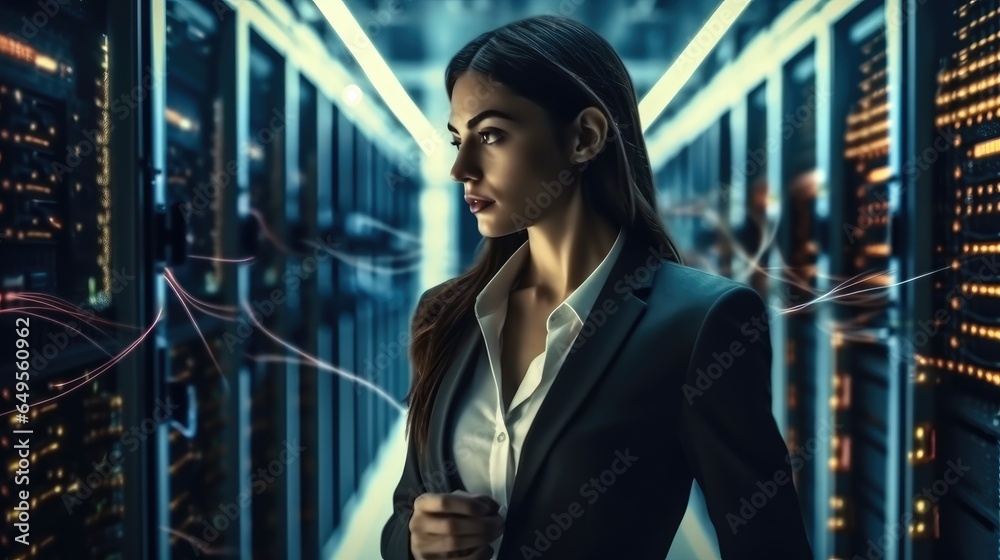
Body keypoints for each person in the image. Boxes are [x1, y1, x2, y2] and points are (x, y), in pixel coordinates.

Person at [381, 15, 812, 560]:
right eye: (457, 138)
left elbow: (767, 543)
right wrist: (416, 541)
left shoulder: (700, 322)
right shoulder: (445, 313)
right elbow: (405, 511)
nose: (460, 167)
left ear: (584, 137)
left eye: (491, 135)